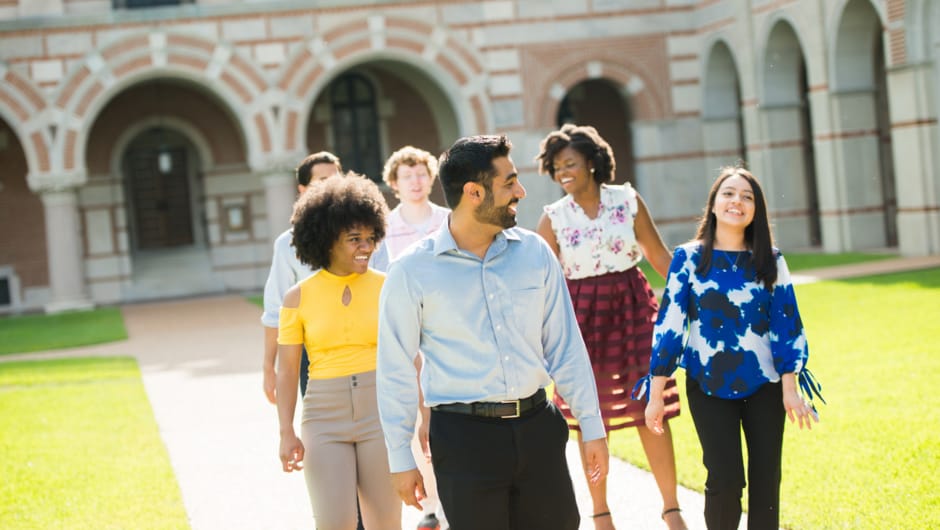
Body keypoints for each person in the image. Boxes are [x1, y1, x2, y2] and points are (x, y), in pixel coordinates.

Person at [377, 134, 609, 530]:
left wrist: (592, 426)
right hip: (464, 440)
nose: (520, 191)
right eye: (509, 183)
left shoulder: (536, 254)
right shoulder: (410, 271)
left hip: (539, 430)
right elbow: (395, 369)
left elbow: (566, 347)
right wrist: (401, 458)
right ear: (473, 192)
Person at [639, 166, 824, 530]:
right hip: (707, 384)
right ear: (713, 204)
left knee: (766, 480)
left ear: (756, 209)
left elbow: (786, 323)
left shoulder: (771, 259)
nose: (736, 201)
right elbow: (670, 325)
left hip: (765, 385)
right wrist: (656, 395)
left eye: (746, 196)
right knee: (724, 480)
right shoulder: (688, 259)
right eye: (728, 193)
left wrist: (790, 389)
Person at [534, 124, 687, 530]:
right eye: (556, 166)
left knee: (648, 406)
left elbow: (658, 256)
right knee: (590, 413)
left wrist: (697, 295)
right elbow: (538, 283)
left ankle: (672, 508)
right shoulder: (552, 219)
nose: (562, 172)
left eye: (570, 163)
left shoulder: (627, 200)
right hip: (582, 317)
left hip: (633, 309)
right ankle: (601, 513)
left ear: (592, 163)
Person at [275, 174, 401, 530]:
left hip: (381, 413)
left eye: (370, 237)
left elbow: (412, 357)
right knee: (334, 523)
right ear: (328, 239)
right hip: (323, 417)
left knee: (386, 524)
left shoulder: (388, 288)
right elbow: (287, 370)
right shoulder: (297, 297)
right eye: (354, 239)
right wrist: (286, 430)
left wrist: (423, 417)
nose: (366, 246)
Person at [371, 145, 450, 530]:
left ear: (431, 178)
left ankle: (452, 498)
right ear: (394, 184)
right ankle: (431, 504)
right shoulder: (383, 231)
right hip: (409, 337)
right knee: (417, 418)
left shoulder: (450, 220)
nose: (416, 182)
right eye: (407, 176)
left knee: (444, 418)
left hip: (449, 333)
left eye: (421, 174)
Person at [261, 151, 342, 403]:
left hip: (367, 348)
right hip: (314, 354)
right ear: (303, 189)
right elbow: (276, 309)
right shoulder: (288, 244)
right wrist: (268, 367)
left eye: (336, 178)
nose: (331, 186)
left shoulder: (368, 234)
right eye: (322, 180)